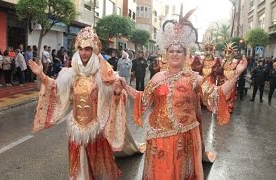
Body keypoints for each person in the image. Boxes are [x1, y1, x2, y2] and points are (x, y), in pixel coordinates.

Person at [119, 11, 247, 179]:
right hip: (159, 138)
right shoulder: (157, 77)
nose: (174, 54)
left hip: (184, 138)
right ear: (166, 53)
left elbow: (217, 94)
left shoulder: (194, 78)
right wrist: (125, 87)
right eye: (171, 50)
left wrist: (236, 74)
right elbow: (143, 99)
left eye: (179, 51)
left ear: (185, 55)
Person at [28, 27, 139, 179]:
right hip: (76, 126)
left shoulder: (103, 74)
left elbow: (117, 98)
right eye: (80, 48)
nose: (83, 53)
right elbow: (55, 89)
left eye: (87, 49)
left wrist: (117, 93)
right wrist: (41, 75)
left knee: (97, 165)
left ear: (93, 51)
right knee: (78, 165)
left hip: (96, 127)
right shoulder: (71, 73)